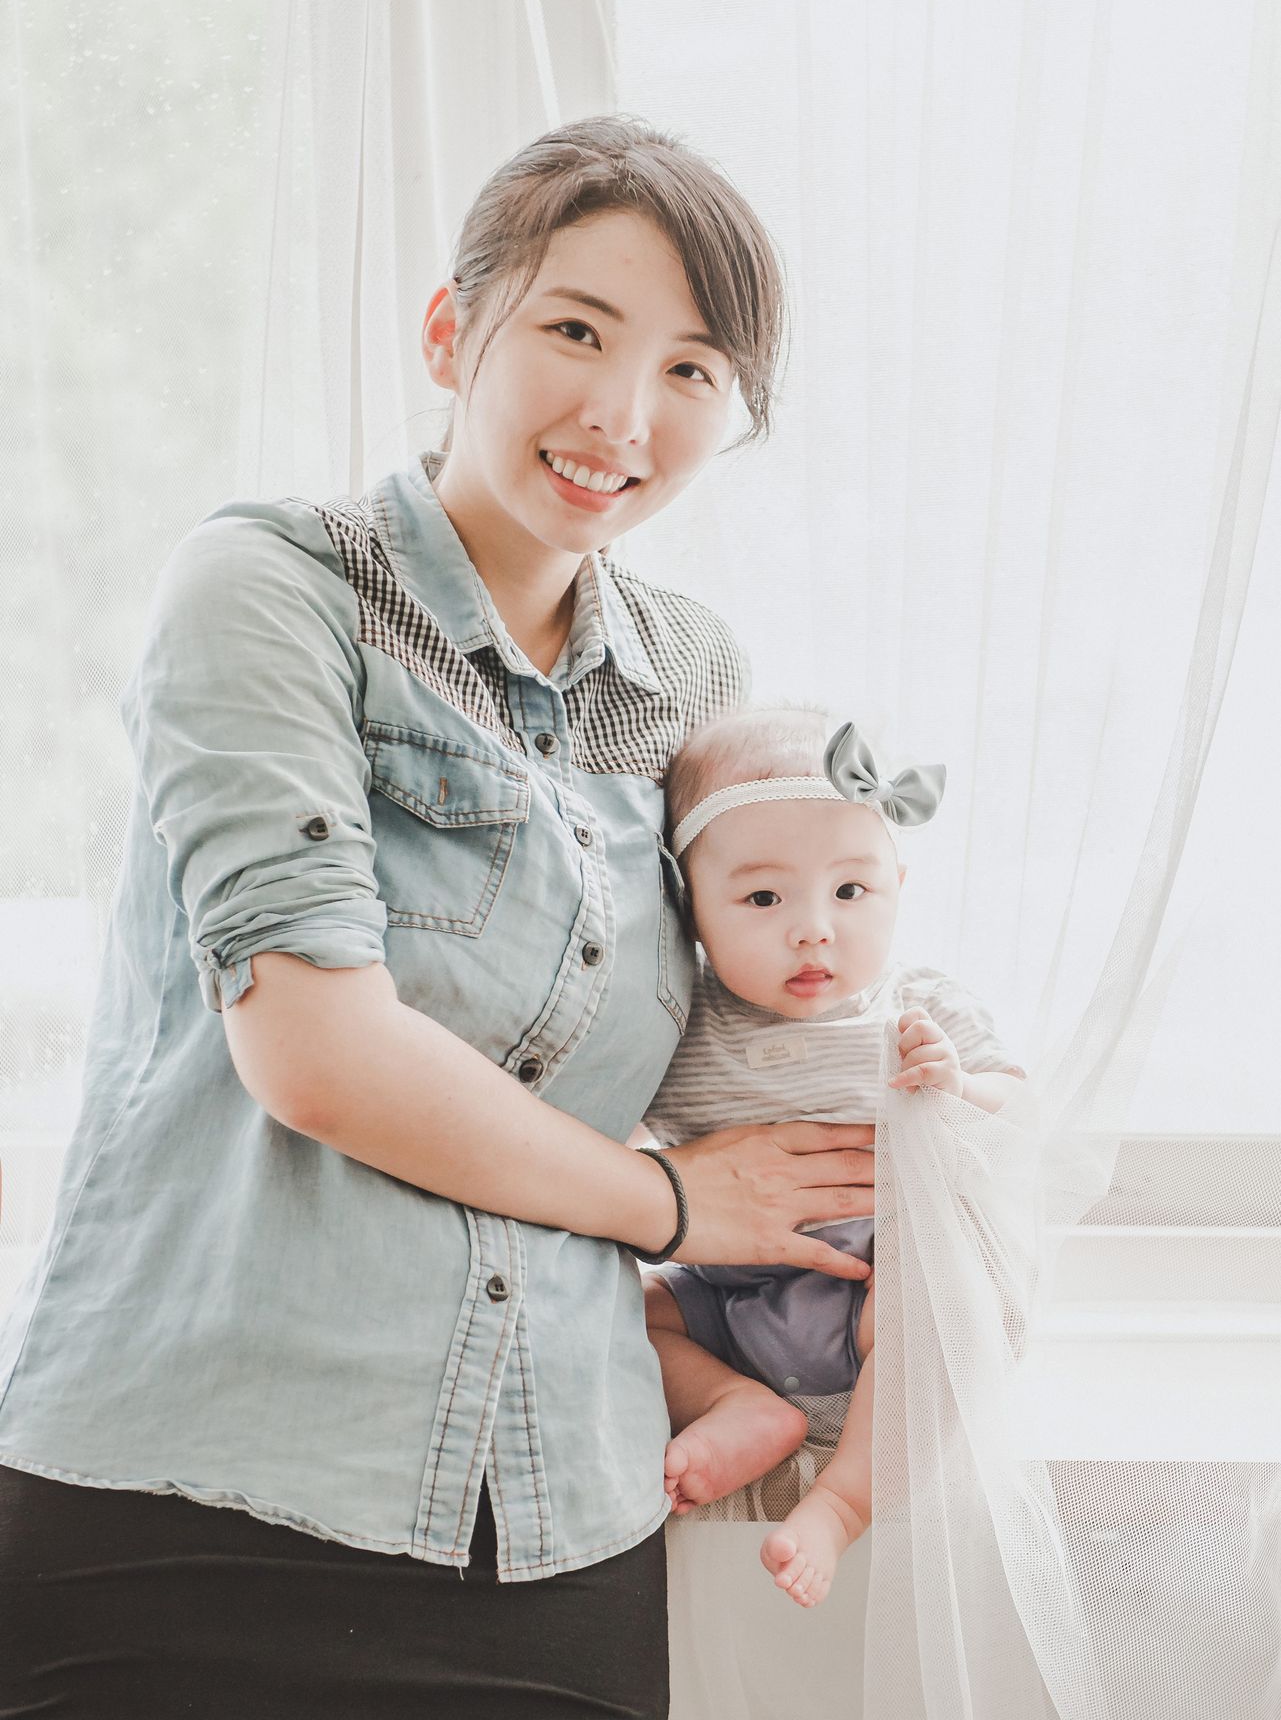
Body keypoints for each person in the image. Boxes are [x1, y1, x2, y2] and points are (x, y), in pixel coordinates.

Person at [0, 119, 878, 1719]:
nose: (623, 415)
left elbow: (758, 1007)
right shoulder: (274, 587)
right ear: (448, 333)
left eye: (692, 369)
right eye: (577, 331)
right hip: (195, 1489)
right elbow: (318, 1056)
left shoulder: (692, 675)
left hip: (554, 1514)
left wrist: (932, 1112)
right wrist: (669, 1205)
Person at [642, 706, 1025, 1608]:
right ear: (688, 906)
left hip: (873, 1287)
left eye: (850, 892)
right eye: (763, 899)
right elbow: (613, 1139)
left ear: (896, 885)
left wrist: (959, 1085)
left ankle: (843, 1500)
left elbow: (1022, 1115)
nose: (814, 929)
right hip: (728, 1299)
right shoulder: (676, 1020)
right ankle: (737, 1405)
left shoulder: (915, 1004)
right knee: (620, 1307)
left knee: (944, 1294)